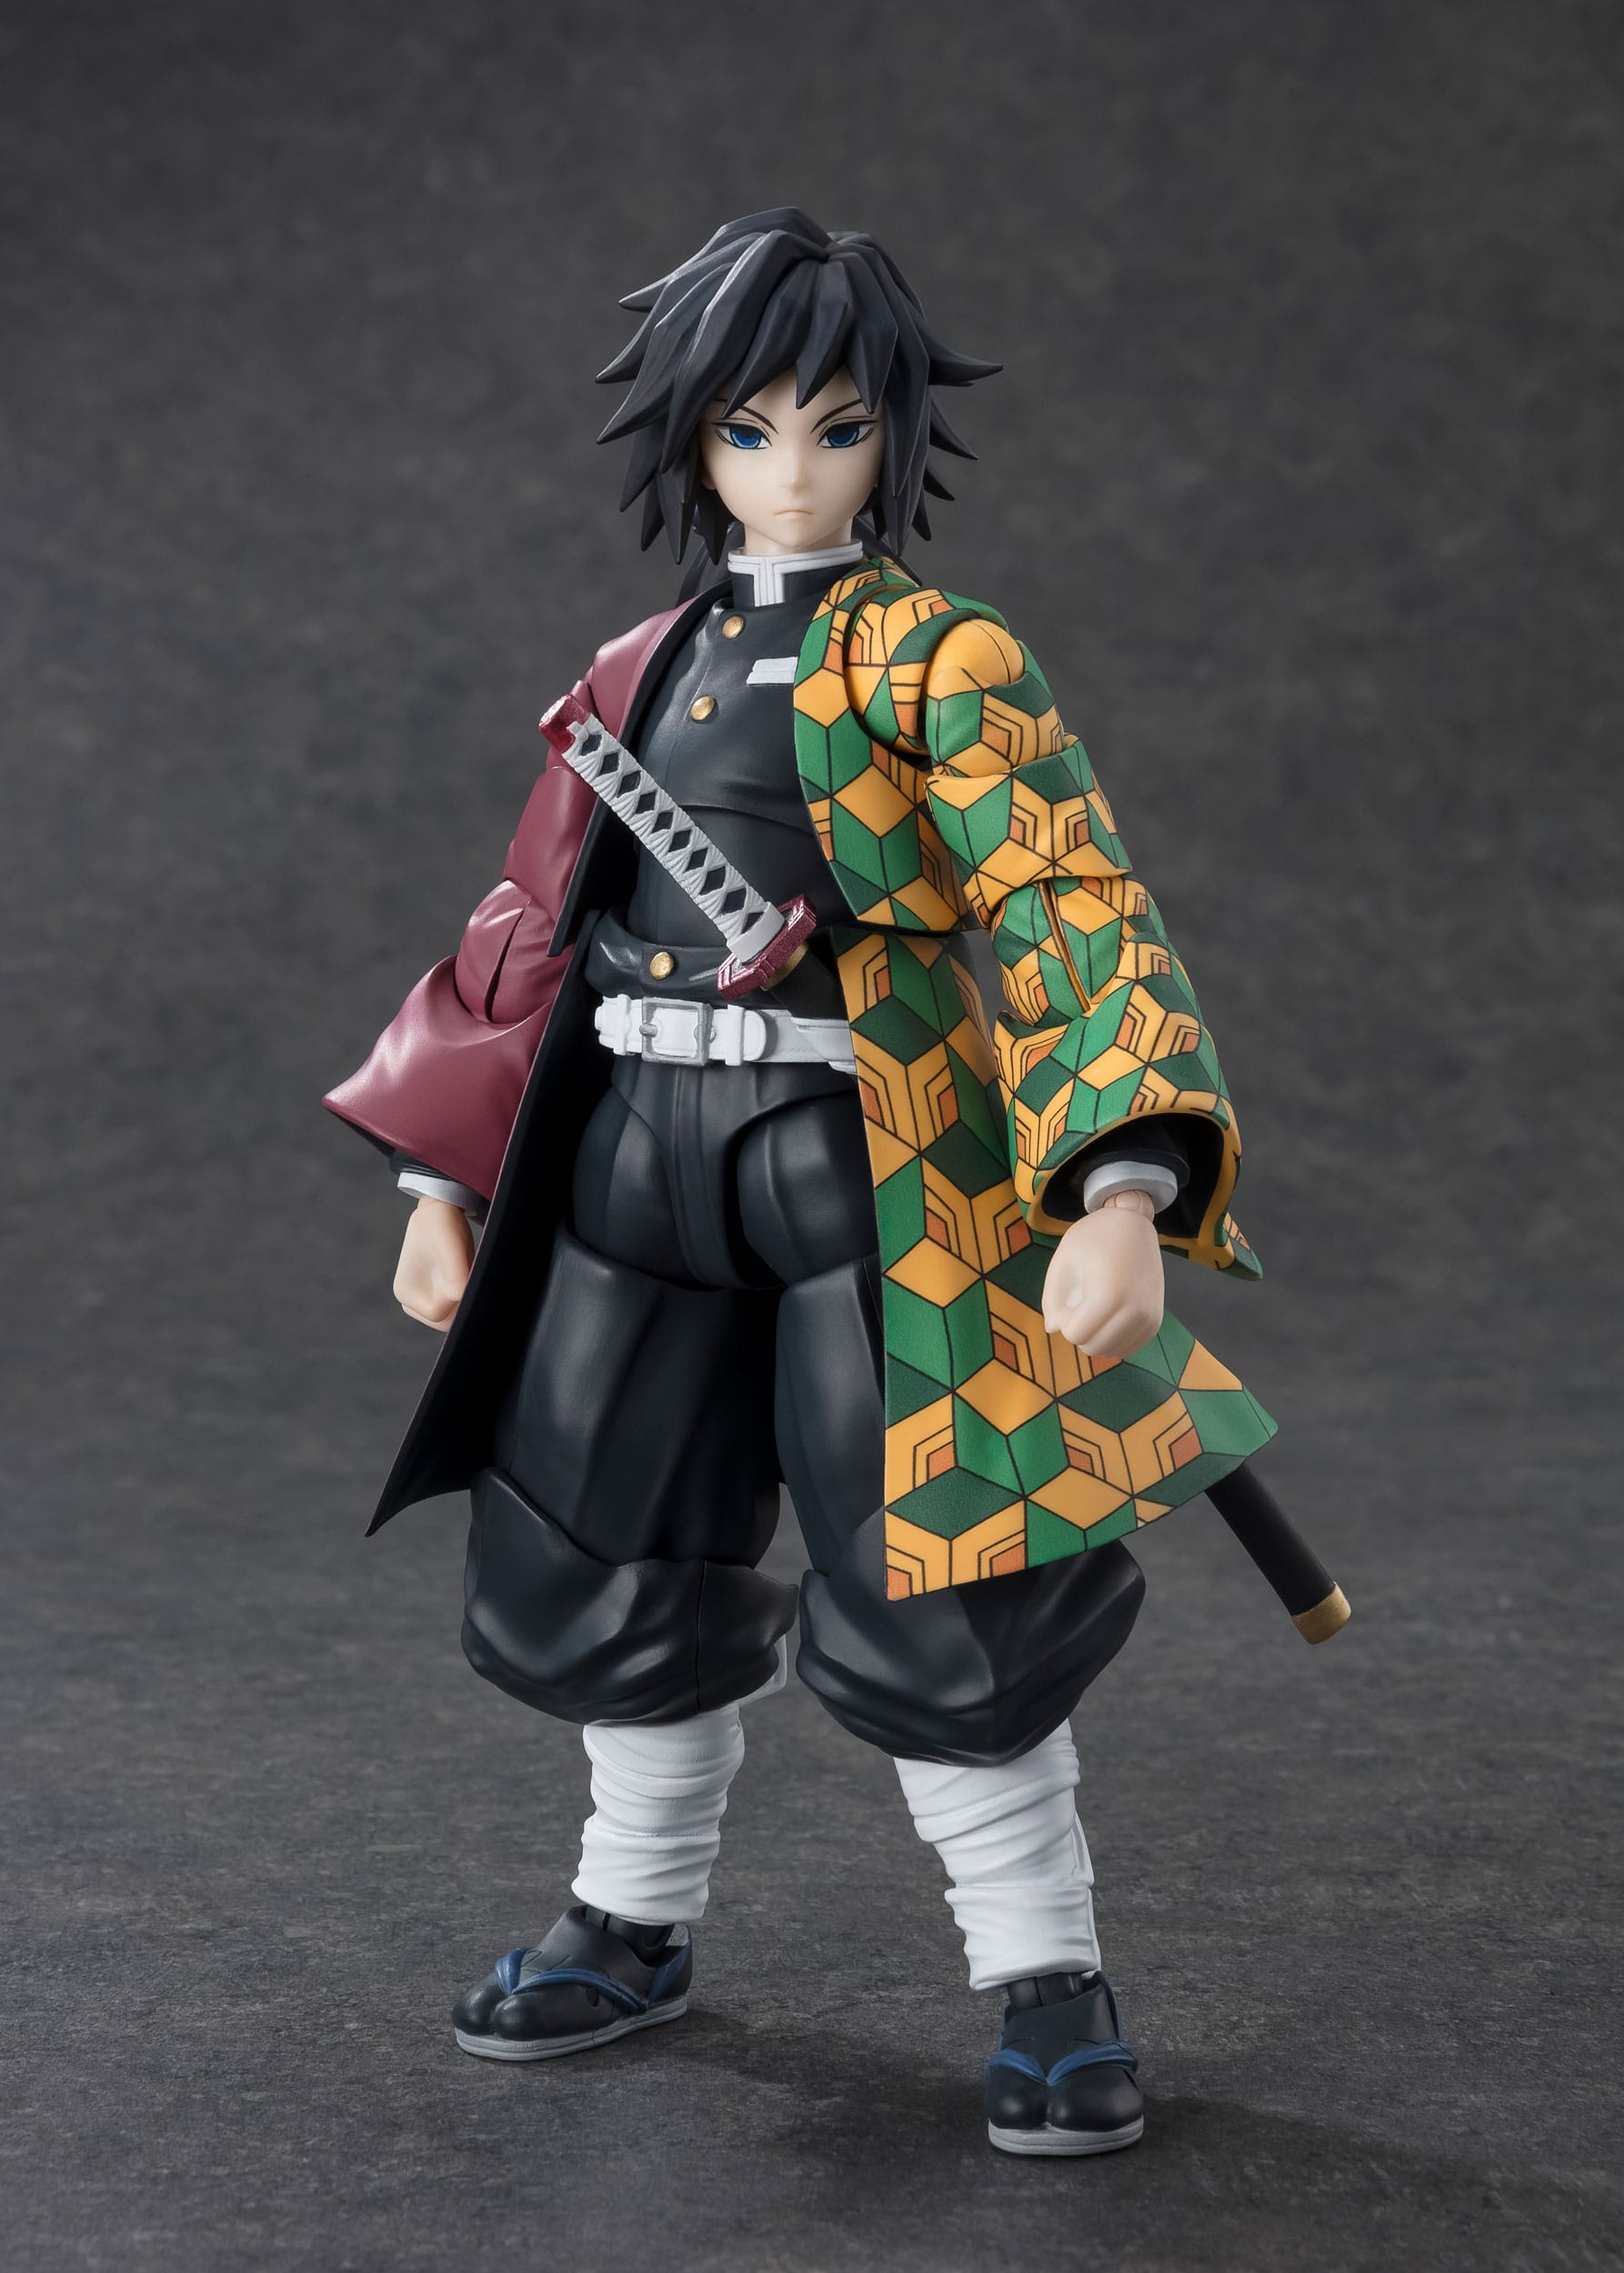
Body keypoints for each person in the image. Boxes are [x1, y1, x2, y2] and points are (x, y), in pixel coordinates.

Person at [326, 210, 1275, 2158]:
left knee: (948, 1570)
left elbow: (1065, 900)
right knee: (603, 1544)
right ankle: (628, 1914)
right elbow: (528, 920)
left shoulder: (942, 657)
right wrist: (440, 1171)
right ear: (691, 440)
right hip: (629, 1157)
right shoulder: (633, 669)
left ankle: (1046, 1975)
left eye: (834, 429)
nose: (789, 471)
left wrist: (1117, 1184)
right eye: (747, 430)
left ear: (889, 435)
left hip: (870, 1160)